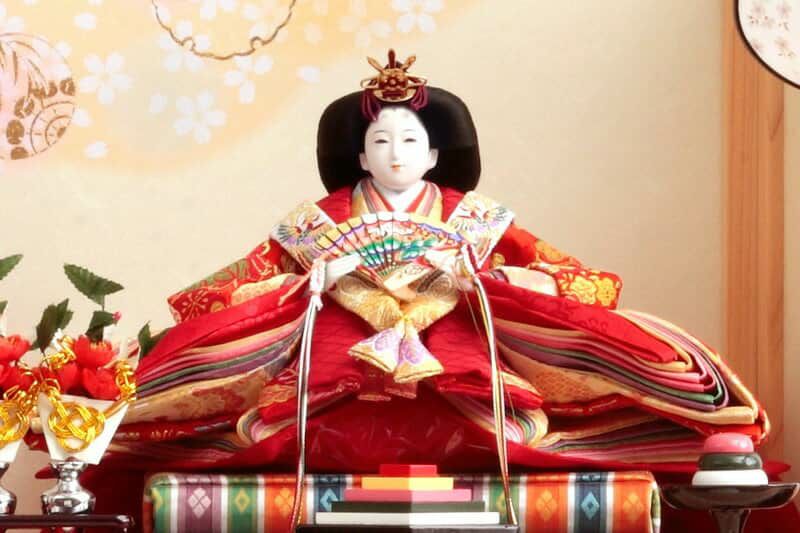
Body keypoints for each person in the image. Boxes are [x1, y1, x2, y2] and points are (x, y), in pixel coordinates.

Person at [85, 50, 784, 531]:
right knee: (283, 413)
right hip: (338, 348)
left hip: (453, 342)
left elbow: (579, 280)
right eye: (381, 143)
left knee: (503, 415)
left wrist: (486, 280)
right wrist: (314, 279)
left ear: (435, 152)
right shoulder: (316, 222)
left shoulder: (476, 218)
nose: (395, 154)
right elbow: (228, 288)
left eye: (409, 142)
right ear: (359, 155)